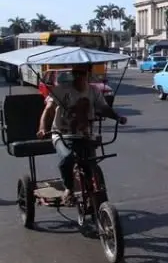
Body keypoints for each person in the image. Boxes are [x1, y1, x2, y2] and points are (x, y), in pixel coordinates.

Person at [36, 64, 127, 202]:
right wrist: (42, 128)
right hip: (61, 134)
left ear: (87, 75)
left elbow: (103, 108)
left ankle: (91, 194)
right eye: (75, 73)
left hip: (85, 134)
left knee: (90, 164)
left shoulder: (93, 91)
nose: (78, 76)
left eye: (81, 73)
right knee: (67, 158)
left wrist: (117, 117)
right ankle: (69, 188)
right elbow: (48, 110)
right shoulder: (61, 90)